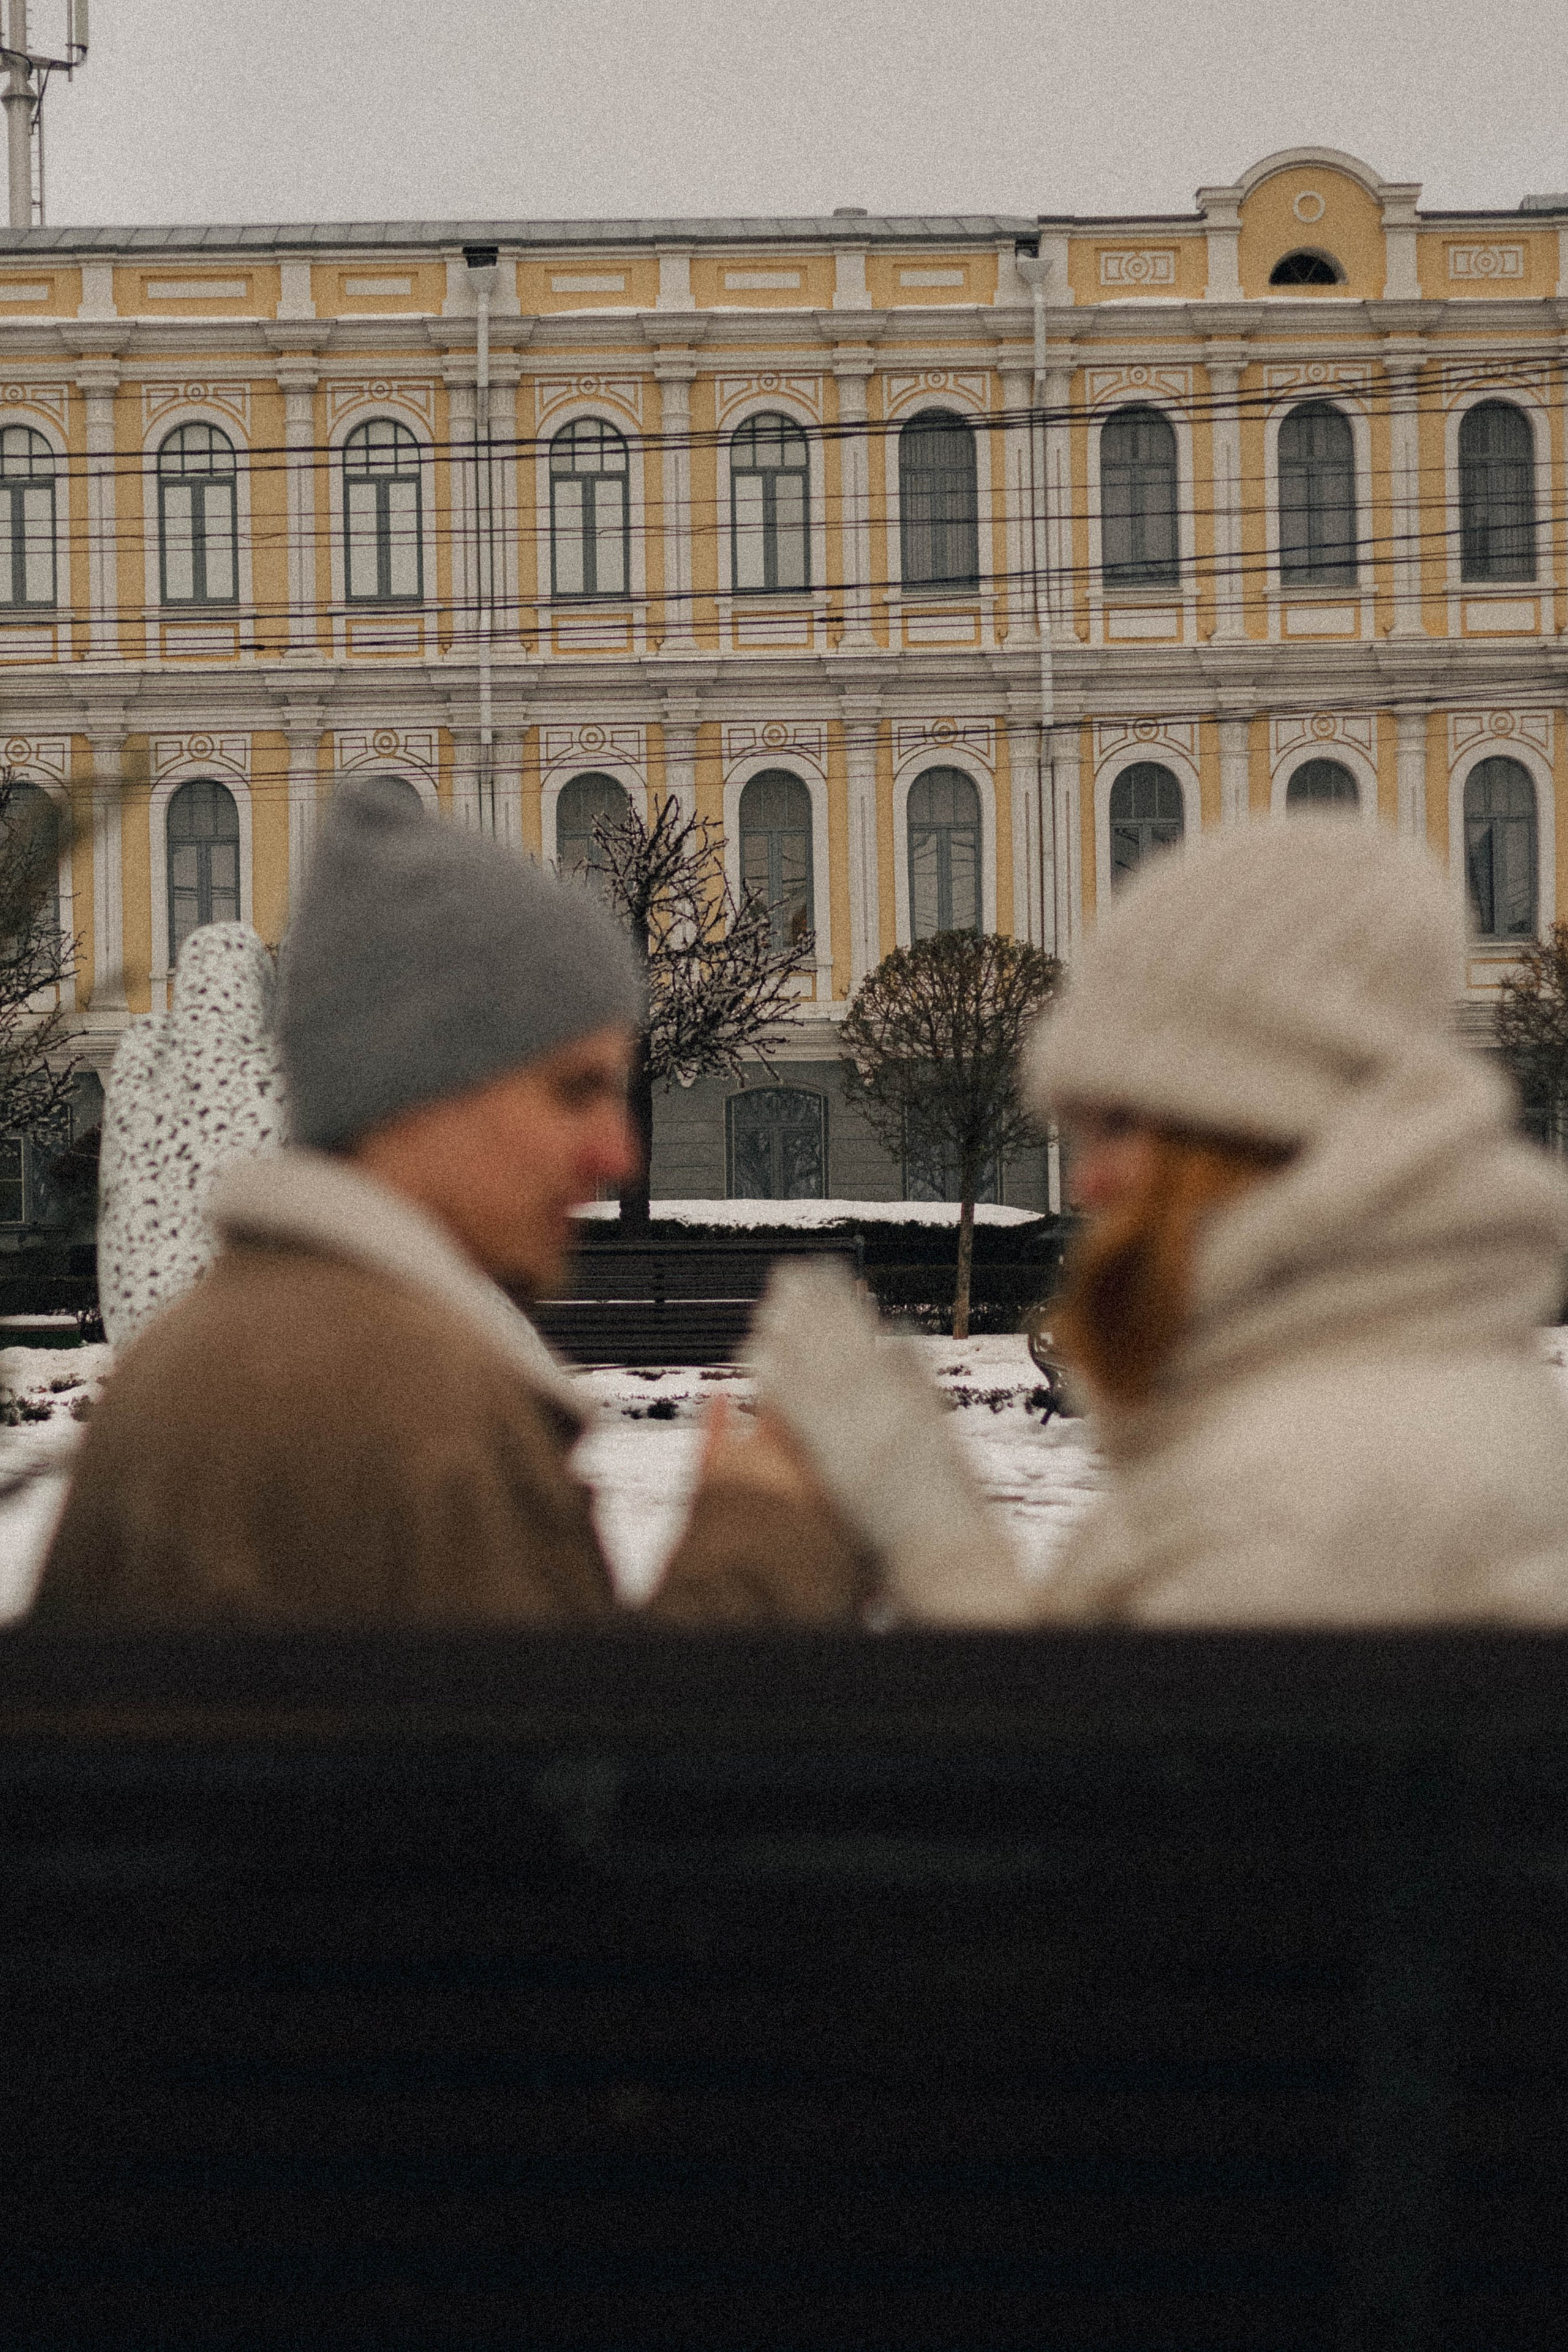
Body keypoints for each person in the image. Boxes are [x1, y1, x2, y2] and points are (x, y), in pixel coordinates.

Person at [35, 780, 875, 1630]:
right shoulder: (419, 1414)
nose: (619, 1153)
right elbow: (584, 1754)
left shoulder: (200, 1358)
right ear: (422, 1090)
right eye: (575, 1090)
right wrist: (765, 1534)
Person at [1019, 816, 1568, 1624]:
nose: (1084, 1182)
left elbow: (1078, 1748)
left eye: (1122, 1125)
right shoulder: (1378, 1390)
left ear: (1252, 1130)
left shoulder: (1296, 1489)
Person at [96, 921, 285, 1351]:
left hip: (147, 1316)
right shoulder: (277, 1062)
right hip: (254, 1317)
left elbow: (125, 1184)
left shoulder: (145, 1049)